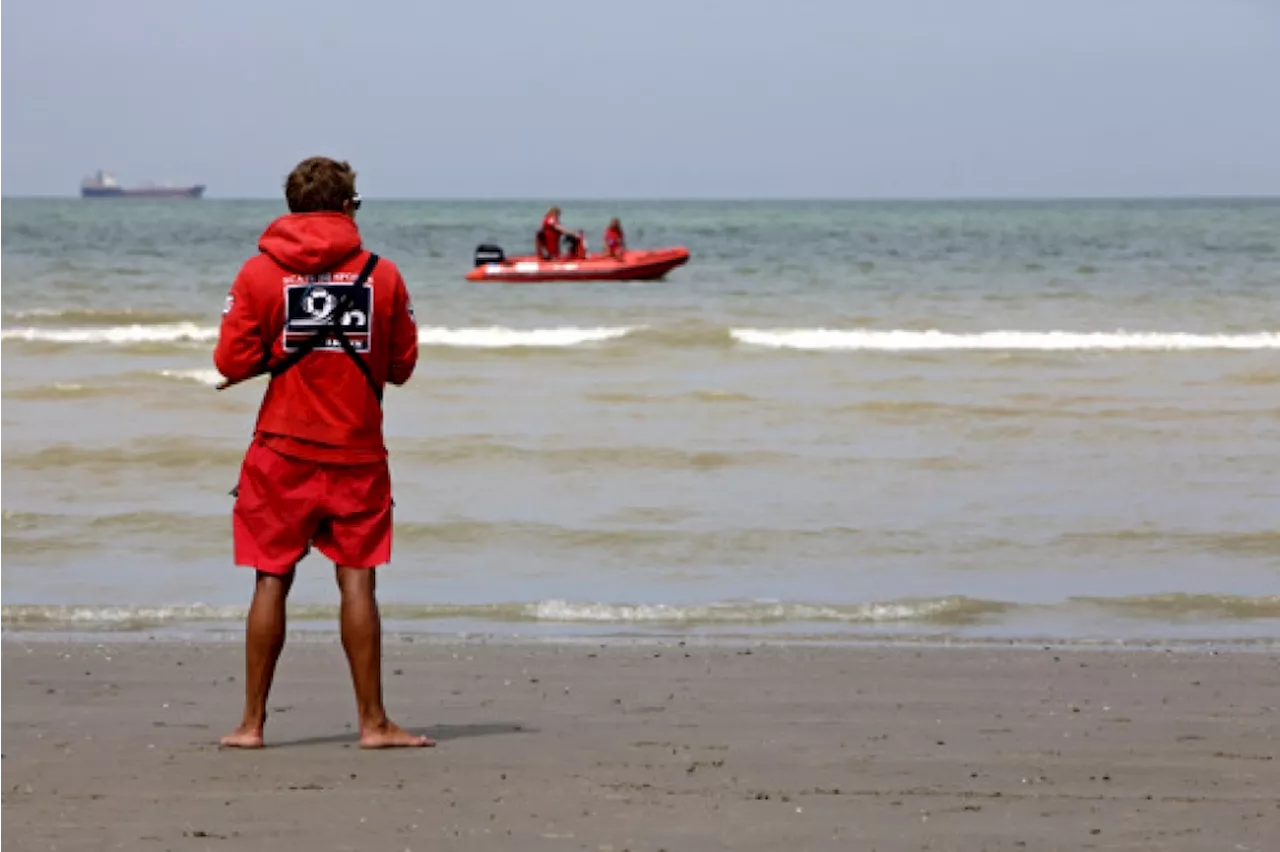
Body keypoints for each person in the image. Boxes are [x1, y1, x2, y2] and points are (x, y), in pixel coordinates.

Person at [213, 156, 429, 750]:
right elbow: (403, 367)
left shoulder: (258, 274)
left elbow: (230, 363)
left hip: (279, 453)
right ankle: (374, 723)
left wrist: (280, 351)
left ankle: (251, 725)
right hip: (357, 454)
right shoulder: (383, 275)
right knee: (357, 582)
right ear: (346, 206)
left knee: (270, 579)